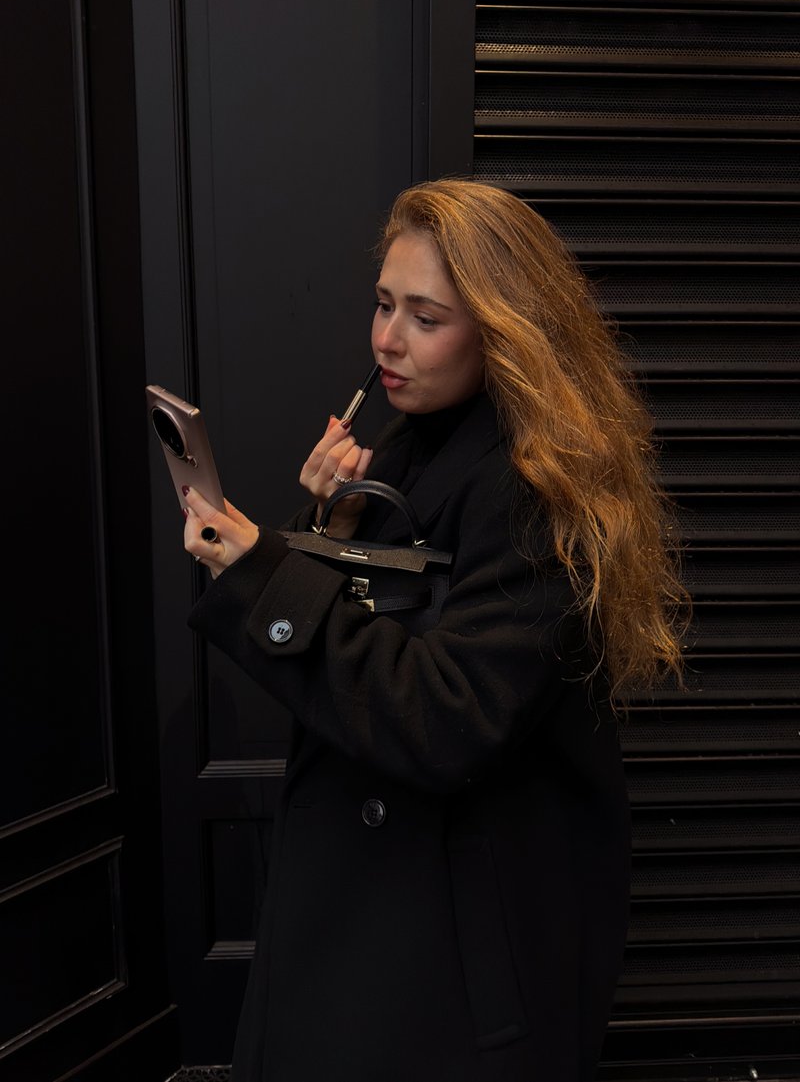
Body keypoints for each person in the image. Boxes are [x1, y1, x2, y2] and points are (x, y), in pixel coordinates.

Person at [181, 178, 689, 1082]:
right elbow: (381, 637)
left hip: (452, 950)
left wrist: (261, 571)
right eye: (384, 303)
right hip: (386, 910)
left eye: (426, 317)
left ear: (504, 331)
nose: (387, 339)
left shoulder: (535, 490)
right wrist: (331, 526)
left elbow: (444, 713)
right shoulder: (414, 442)